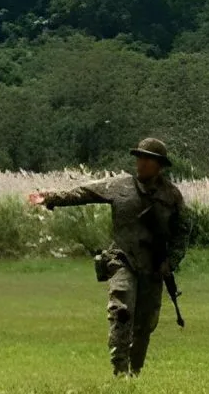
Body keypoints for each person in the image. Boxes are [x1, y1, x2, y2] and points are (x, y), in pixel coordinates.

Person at [28, 138, 192, 378]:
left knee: (145, 323)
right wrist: (50, 197)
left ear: (159, 165)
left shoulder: (171, 196)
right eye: (139, 158)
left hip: (154, 266)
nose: (141, 163)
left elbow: (183, 230)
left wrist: (171, 261)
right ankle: (120, 371)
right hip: (122, 259)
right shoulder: (119, 186)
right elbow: (84, 192)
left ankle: (135, 372)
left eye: (147, 159)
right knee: (121, 311)